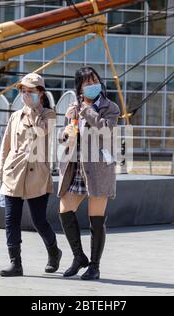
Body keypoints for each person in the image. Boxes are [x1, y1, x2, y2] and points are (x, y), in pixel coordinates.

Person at [57, 66, 120, 281]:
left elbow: (106, 129)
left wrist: (86, 110)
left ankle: (94, 266)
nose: (93, 85)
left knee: (96, 218)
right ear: (80, 87)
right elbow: (64, 135)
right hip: (75, 167)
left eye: (95, 80)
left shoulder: (110, 107)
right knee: (65, 210)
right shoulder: (73, 108)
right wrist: (65, 134)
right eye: (87, 82)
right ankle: (78, 257)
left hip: (98, 168)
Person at [0, 73, 61, 277]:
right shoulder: (15, 116)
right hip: (13, 173)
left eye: (31, 92)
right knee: (11, 220)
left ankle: (54, 252)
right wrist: (1, 173)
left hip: (37, 174)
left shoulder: (48, 115)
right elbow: (5, 146)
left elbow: (40, 134)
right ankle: (15, 263)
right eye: (23, 91)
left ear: (41, 93)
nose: (26, 95)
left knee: (39, 221)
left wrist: (34, 109)